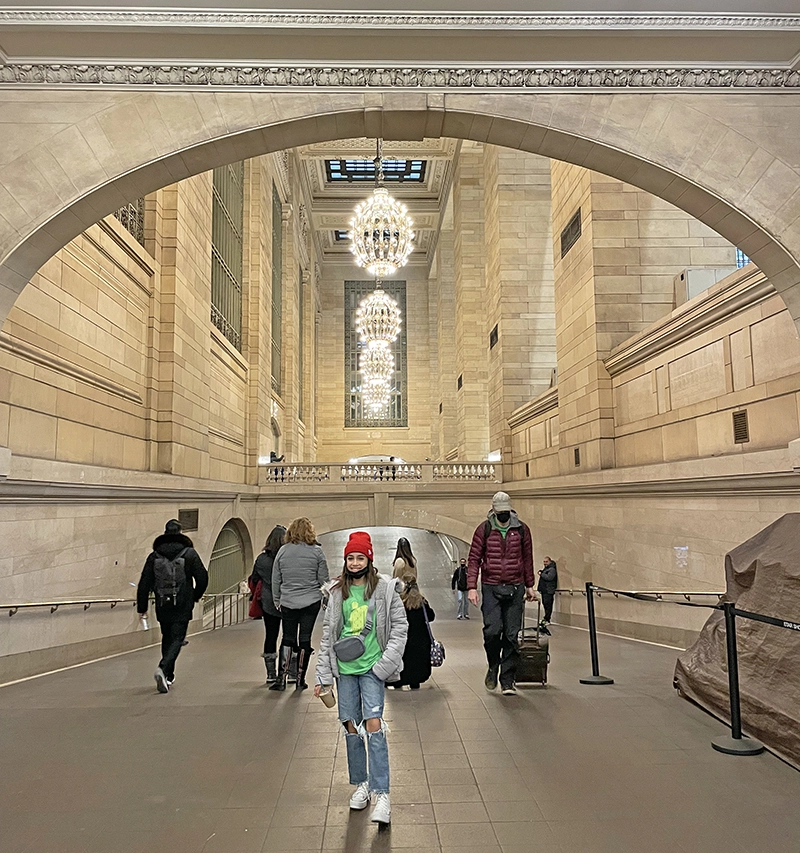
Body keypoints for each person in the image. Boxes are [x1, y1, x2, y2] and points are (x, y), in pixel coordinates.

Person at [314, 531, 408, 826]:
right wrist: (323, 675)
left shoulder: (386, 590)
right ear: (345, 561)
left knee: (374, 724)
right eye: (350, 558)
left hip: (372, 668)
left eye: (360, 557)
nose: (355, 563)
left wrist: (382, 667)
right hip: (344, 671)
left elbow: (399, 630)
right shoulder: (336, 592)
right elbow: (329, 635)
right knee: (351, 727)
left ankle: (382, 794)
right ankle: (361, 784)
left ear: (369, 559)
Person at [467, 491, 536, 696]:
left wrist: (530, 585)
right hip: (491, 586)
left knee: (512, 635)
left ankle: (508, 679)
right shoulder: (484, 529)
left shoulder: (522, 530)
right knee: (492, 631)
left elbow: (527, 558)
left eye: (506, 511)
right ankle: (493, 664)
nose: (503, 515)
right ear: (494, 510)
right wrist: (472, 587)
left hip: (516, 586)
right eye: (500, 512)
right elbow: (474, 559)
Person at [136, 519, 208, 694]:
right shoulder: (189, 554)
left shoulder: (154, 556)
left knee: (167, 636)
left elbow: (144, 583)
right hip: (183, 602)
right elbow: (203, 578)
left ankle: (168, 675)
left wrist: (142, 607)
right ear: (180, 532)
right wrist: (195, 596)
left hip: (162, 603)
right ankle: (163, 668)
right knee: (178, 637)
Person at [270, 517, 329, 691]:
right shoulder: (317, 552)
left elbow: (276, 578)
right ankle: (300, 680)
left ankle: (282, 678)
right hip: (310, 602)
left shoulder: (282, 551)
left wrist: (277, 599)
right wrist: (325, 599)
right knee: (305, 639)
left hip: (288, 601)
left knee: (287, 638)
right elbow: (323, 580)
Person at [249, 524, 286, 682]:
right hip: (287, 601)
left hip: (268, 602)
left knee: (270, 635)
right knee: (288, 636)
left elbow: (254, 579)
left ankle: (270, 673)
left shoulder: (261, 559)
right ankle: (286, 671)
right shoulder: (287, 558)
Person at [391, 565, 435, 689]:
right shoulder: (422, 601)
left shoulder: (399, 602)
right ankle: (415, 682)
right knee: (418, 660)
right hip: (421, 639)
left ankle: (399, 681)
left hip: (404, 638)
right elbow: (431, 616)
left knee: (404, 659)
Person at [538, 556, 558, 625]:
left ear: (550, 561)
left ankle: (547, 619)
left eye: (546, 562)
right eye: (544, 562)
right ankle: (546, 618)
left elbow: (549, 577)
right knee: (545, 604)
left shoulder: (552, 569)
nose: (545, 563)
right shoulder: (546, 569)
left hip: (548, 590)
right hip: (545, 590)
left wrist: (541, 574)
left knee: (548, 605)